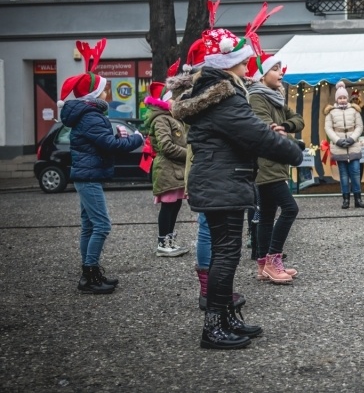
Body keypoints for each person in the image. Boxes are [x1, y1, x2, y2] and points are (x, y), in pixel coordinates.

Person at [172, 21, 304, 350]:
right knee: (226, 255)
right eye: (243, 62)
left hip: (222, 181)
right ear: (226, 65)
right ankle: (214, 327)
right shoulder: (226, 100)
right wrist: (294, 150)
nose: (248, 67)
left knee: (225, 253)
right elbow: (257, 135)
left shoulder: (216, 96)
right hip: (222, 183)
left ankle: (227, 317)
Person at [59, 44, 144, 294]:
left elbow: (102, 141)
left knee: (89, 225)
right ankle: (90, 275)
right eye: (105, 89)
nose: (108, 93)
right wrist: (136, 139)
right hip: (88, 176)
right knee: (102, 225)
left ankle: (90, 273)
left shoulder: (89, 116)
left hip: (86, 174)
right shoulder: (91, 116)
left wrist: (115, 133)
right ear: (95, 94)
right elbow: (109, 145)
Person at [247, 53, 305, 284]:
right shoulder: (257, 98)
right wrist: (278, 132)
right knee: (290, 209)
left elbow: (298, 120)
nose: (281, 73)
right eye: (275, 69)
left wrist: (284, 126)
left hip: (275, 162)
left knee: (268, 215)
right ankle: (273, 260)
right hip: (266, 163)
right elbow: (264, 130)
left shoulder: (276, 97)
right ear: (262, 76)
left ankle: (262, 264)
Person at [143, 76, 190, 257]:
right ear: (164, 101)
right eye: (174, 99)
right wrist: (189, 154)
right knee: (168, 207)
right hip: (167, 170)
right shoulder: (162, 119)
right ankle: (163, 242)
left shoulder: (172, 117)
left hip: (176, 171)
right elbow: (166, 146)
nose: (177, 102)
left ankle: (169, 240)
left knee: (175, 206)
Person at [325, 81, 364, 209]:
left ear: (347, 98)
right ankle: (346, 199)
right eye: (340, 98)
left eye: (344, 97)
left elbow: (359, 126)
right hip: (339, 146)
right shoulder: (331, 112)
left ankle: (358, 199)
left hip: (353, 145)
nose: (342, 100)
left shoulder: (354, 111)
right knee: (343, 174)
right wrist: (337, 140)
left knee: (355, 172)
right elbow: (328, 128)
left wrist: (352, 138)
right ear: (337, 99)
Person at [350, 89, 364, 180]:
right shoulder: (348, 110)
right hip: (351, 137)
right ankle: (353, 180)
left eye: (357, 99)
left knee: (361, 160)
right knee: (351, 159)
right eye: (354, 99)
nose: (355, 101)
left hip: (361, 138)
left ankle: (359, 180)